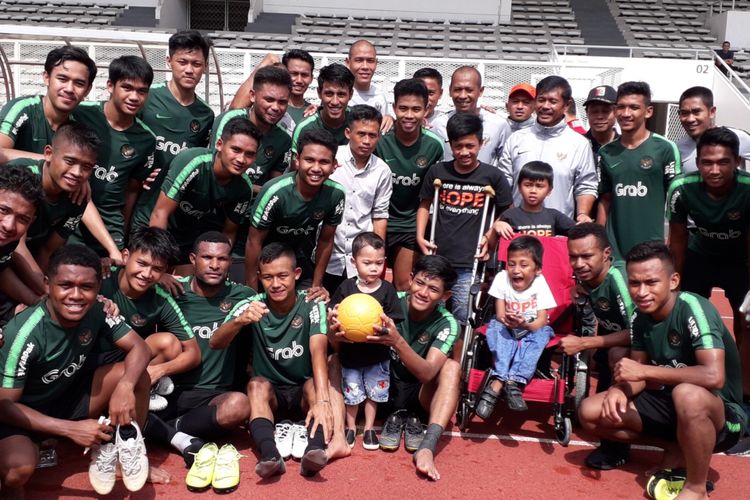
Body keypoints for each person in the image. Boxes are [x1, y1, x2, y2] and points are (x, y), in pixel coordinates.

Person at [578, 241, 746, 500]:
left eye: (651, 282)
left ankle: (696, 488)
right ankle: (676, 448)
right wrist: (620, 389)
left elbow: (713, 376)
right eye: (634, 283)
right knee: (590, 412)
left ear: (673, 280)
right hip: (670, 403)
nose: (641, 292)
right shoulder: (639, 317)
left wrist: (644, 372)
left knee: (687, 394)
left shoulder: (693, 307)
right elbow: (637, 375)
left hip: (722, 414)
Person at [0, 245, 157, 497]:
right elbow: (5, 407)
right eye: (65, 285)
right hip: (24, 416)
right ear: (48, 284)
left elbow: (140, 347)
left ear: (98, 288)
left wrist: (125, 386)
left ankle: (128, 452)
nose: (76, 295)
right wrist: (69, 429)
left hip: (65, 397)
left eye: (86, 287)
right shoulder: (23, 334)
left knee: (135, 375)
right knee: (16, 470)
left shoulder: (98, 308)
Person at [211, 243, 349, 478]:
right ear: (259, 278)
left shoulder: (311, 303)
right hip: (272, 394)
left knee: (316, 384)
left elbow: (318, 349)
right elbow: (215, 342)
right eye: (268, 277)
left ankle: (314, 451)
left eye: (282, 276)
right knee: (255, 384)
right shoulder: (253, 304)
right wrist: (239, 321)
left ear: (296, 275)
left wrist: (324, 401)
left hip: (303, 391)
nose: (275, 284)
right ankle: (270, 455)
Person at [144, 232, 253, 465]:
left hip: (212, 396)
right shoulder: (170, 289)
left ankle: (167, 429)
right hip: (168, 390)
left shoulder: (243, 297)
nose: (214, 265)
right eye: (207, 257)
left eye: (222, 259)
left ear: (230, 263)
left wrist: (316, 292)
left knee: (240, 405)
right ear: (193, 259)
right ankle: (160, 426)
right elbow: (131, 284)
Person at [667, 127, 750, 413]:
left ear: (737, 162)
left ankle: (743, 396)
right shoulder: (681, 187)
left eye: (723, 162)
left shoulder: (748, 188)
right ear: (698, 162)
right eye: (707, 162)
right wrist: (673, 284)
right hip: (699, 256)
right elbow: (677, 241)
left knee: (746, 321)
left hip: (740, 258)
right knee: (685, 314)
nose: (714, 170)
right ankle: (688, 379)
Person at [416, 113, 512, 327]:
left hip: (470, 260)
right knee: (431, 312)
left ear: (481, 143)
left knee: (462, 315)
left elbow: (506, 212)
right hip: (438, 256)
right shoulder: (438, 171)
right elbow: (424, 205)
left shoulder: (492, 176)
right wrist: (420, 236)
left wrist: (490, 237)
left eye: (470, 146)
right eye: (458, 146)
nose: (464, 152)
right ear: (450, 144)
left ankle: (458, 358)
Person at [372, 254, 461, 480]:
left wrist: (397, 341)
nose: (423, 292)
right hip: (382, 390)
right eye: (420, 283)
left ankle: (427, 447)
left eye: (433, 289)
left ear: (445, 295)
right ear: (411, 279)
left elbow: (428, 372)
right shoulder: (390, 301)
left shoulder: (447, 322)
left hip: (420, 394)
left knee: (451, 368)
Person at [96, 227, 199, 412]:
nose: (147, 274)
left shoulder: (160, 299)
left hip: (126, 366)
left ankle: (143, 389)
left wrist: (158, 371)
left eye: (157, 269)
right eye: (142, 263)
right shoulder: (100, 276)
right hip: (86, 360)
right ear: (125, 256)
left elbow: (193, 353)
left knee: (168, 343)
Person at [562, 223, 634, 470]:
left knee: (616, 355)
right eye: (573, 256)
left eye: (586, 256)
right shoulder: (590, 277)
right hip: (612, 333)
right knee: (595, 402)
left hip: (648, 348)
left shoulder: (619, 279)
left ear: (606, 254)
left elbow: (638, 334)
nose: (579, 263)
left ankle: (617, 448)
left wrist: (584, 342)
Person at [131, 30, 215, 235]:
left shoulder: (206, 115)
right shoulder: (147, 98)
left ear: (205, 66)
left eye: (196, 64)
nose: (189, 70)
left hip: (177, 209)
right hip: (138, 200)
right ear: (169, 61)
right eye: (182, 62)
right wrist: (136, 174)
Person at [70, 55, 156, 255]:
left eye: (142, 91)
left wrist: (122, 238)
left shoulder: (146, 139)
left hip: (110, 225)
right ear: (110, 86)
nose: (134, 97)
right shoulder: (80, 114)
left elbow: (132, 191)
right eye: (127, 88)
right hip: (69, 215)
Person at [245, 128, 345, 298]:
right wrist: (252, 291)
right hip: (260, 257)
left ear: (334, 165)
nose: (316, 168)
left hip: (295, 256)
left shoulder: (336, 194)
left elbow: (326, 241)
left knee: (315, 303)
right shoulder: (275, 192)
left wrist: (317, 285)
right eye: (309, 160)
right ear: (297, 160)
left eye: (324, 162)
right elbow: (254, 242)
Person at [149, 116, 258, 266]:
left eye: (249, 154)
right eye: (236, 150)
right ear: (219, 144)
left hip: (186, 239)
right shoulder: (193, 162)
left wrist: (221, 264)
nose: (241, 159)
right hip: (152, 230)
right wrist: (159, 265)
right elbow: (159, 214)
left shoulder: (244, 188)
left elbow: (229, 233)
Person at [329, 232, 403, 450]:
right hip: (350, 356)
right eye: (367, 262)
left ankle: (369, 428)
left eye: (379, 263)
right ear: (353, 262)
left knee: (374, 394)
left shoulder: (388, 290)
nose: (374, 268)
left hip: (377, 356)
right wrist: (333, 318)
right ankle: (351, 427)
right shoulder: (346, 287)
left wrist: (386, 328)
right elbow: (332, 311)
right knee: (351, 395)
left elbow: (395, 320)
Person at [596, 81, 681, 261]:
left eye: (634, 107)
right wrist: (600, 240)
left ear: (648, 111)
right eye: (621, 107)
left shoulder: (665, 148)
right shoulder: (606, 152)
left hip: (652, 247)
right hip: (614, 249)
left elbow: (676, 200)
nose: (626, 114)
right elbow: (605, 200)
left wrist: (672, 239)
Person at [475, 235, 556, 418]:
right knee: (495, 327)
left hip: (531, 328)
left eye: (523, 265)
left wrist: (525, 324)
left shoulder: (540, 284)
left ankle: (507, 381)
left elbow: (542, 320)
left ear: (537, 270)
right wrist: (509, 321)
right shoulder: (501, 278)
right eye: (511, 264)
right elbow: (500, 313)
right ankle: (504, 379)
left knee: (544, 333)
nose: (516, 270)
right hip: (507, 325)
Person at [375, 78, 444, 291]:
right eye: (403, 108)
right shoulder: (380, 140)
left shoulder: (434, 145)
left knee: (403, 284)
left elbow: (432, 193)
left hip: (409, 225)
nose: (409, 115)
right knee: (371, 281)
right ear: (394, 108)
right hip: (377, 221)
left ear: (426, 110)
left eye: (416, 109)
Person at [499, 75, 598, 221]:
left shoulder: (579, 143)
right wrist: (510, 216)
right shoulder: (516, 139)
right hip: (517, 230)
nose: (545, 106)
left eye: (553, 101)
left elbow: (586, 184)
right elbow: (504, 182)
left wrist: (582, 214)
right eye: (541, 100)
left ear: (566, 105)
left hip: (557, 232)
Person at [324, 105, 392, 294]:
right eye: (361, 134)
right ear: (348, 132)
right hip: (327, 255)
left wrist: (376, 257)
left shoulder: (382, 171)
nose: (366, 141)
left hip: (360, 261)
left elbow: (379, 216)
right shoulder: (330, 159)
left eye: (372, 135)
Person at [0, 46, 96, 159]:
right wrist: (52, 161)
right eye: (62, 79)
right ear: (46, 78)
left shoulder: (83, 120)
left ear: (88, 90)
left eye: (79, 83)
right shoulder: (22, 108)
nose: (69, 89)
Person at [210, 65, 291, 188]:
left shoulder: (283, 140)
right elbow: (213, 171)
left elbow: (274, 187)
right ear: (253, 96)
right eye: (269, 100)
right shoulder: (229, 120)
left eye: (282, 102)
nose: (275, 107)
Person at [431, 66, 511, 165]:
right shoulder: (438, 125)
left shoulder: (498, 125)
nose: (463, 96)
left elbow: (506, 165)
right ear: (450, 91)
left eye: (469, 90)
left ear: (480, 91)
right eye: (457, 89)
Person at [0, 165, 44, 323]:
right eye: (3, 210)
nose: (9, 225)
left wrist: (36, 303)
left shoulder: (8, 239)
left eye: (22, 219)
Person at [488, 161, 574, 241]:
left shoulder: (554, 216)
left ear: (549, 190)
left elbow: (579, 232)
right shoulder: (509, 215)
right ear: (519, 187)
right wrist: (496, 227)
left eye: (539, 186)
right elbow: (490, 246)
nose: (533, 190)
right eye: (528, 185)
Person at [676, 86, 750, 173]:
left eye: (696, 112)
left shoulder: (738, 137)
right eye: (684, 113)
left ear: (712, 112)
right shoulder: (678, 148)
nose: (690, 119)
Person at [291, 64, 355, 154]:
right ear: (319, 93)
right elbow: (296, 165)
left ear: (351, 94)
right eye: (329, 94)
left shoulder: (359, 121)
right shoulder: (305, 128)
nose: (335, 102)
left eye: (341, 94)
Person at [345, 40, 393, 132]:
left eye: (370, 61)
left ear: (376, 63)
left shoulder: (380, 96)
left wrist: (391, 119)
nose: (365, 67)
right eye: (359, 60)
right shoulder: (339, 94)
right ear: (348, 62)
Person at [583, 85, 619, 164]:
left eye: (606, 111)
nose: (600, 117)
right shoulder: (578, 145)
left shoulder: (625, 146)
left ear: (616, 112)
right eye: (594, 111)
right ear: (587, 113)